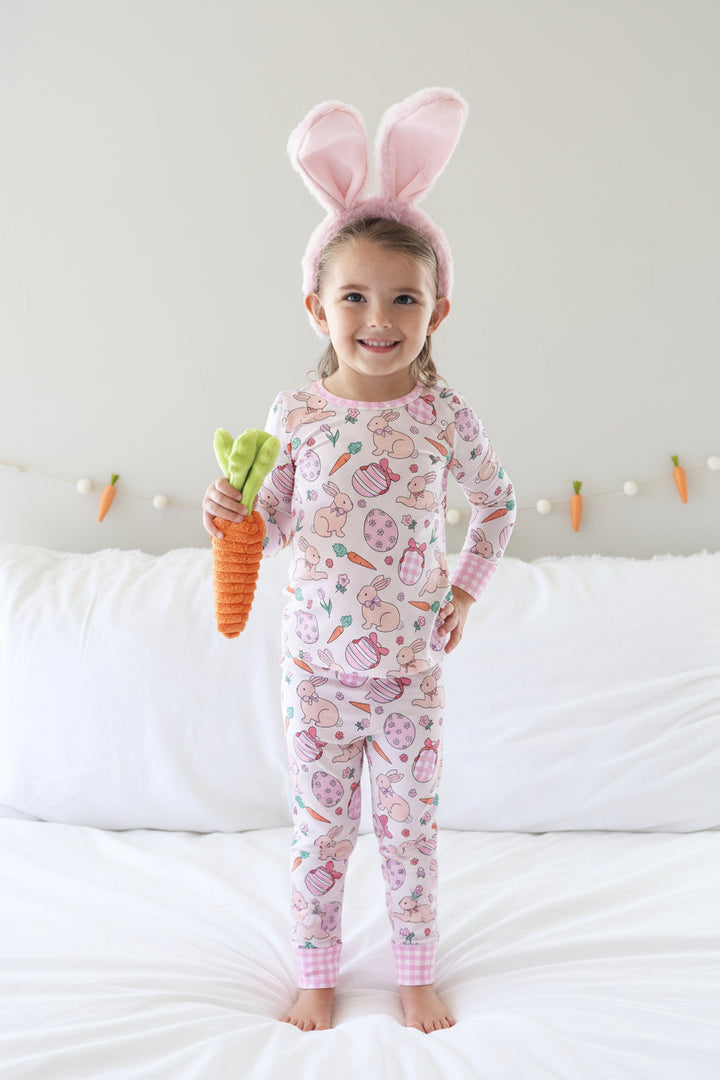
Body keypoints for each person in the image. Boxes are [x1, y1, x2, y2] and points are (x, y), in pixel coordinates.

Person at [202, 89, 516, 1033]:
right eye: (354, 297)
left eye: (404, 298)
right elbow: (280, 518)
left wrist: (463, 591)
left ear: (438, 309)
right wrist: (235, 514)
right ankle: (317, 975)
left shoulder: (440, 415)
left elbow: (497, 504)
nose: (379, 318)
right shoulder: (294, 414)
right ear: (317, 305)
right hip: (314, 670)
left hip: (410, 674)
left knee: (409, 832)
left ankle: (415, 973)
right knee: (321, 833)